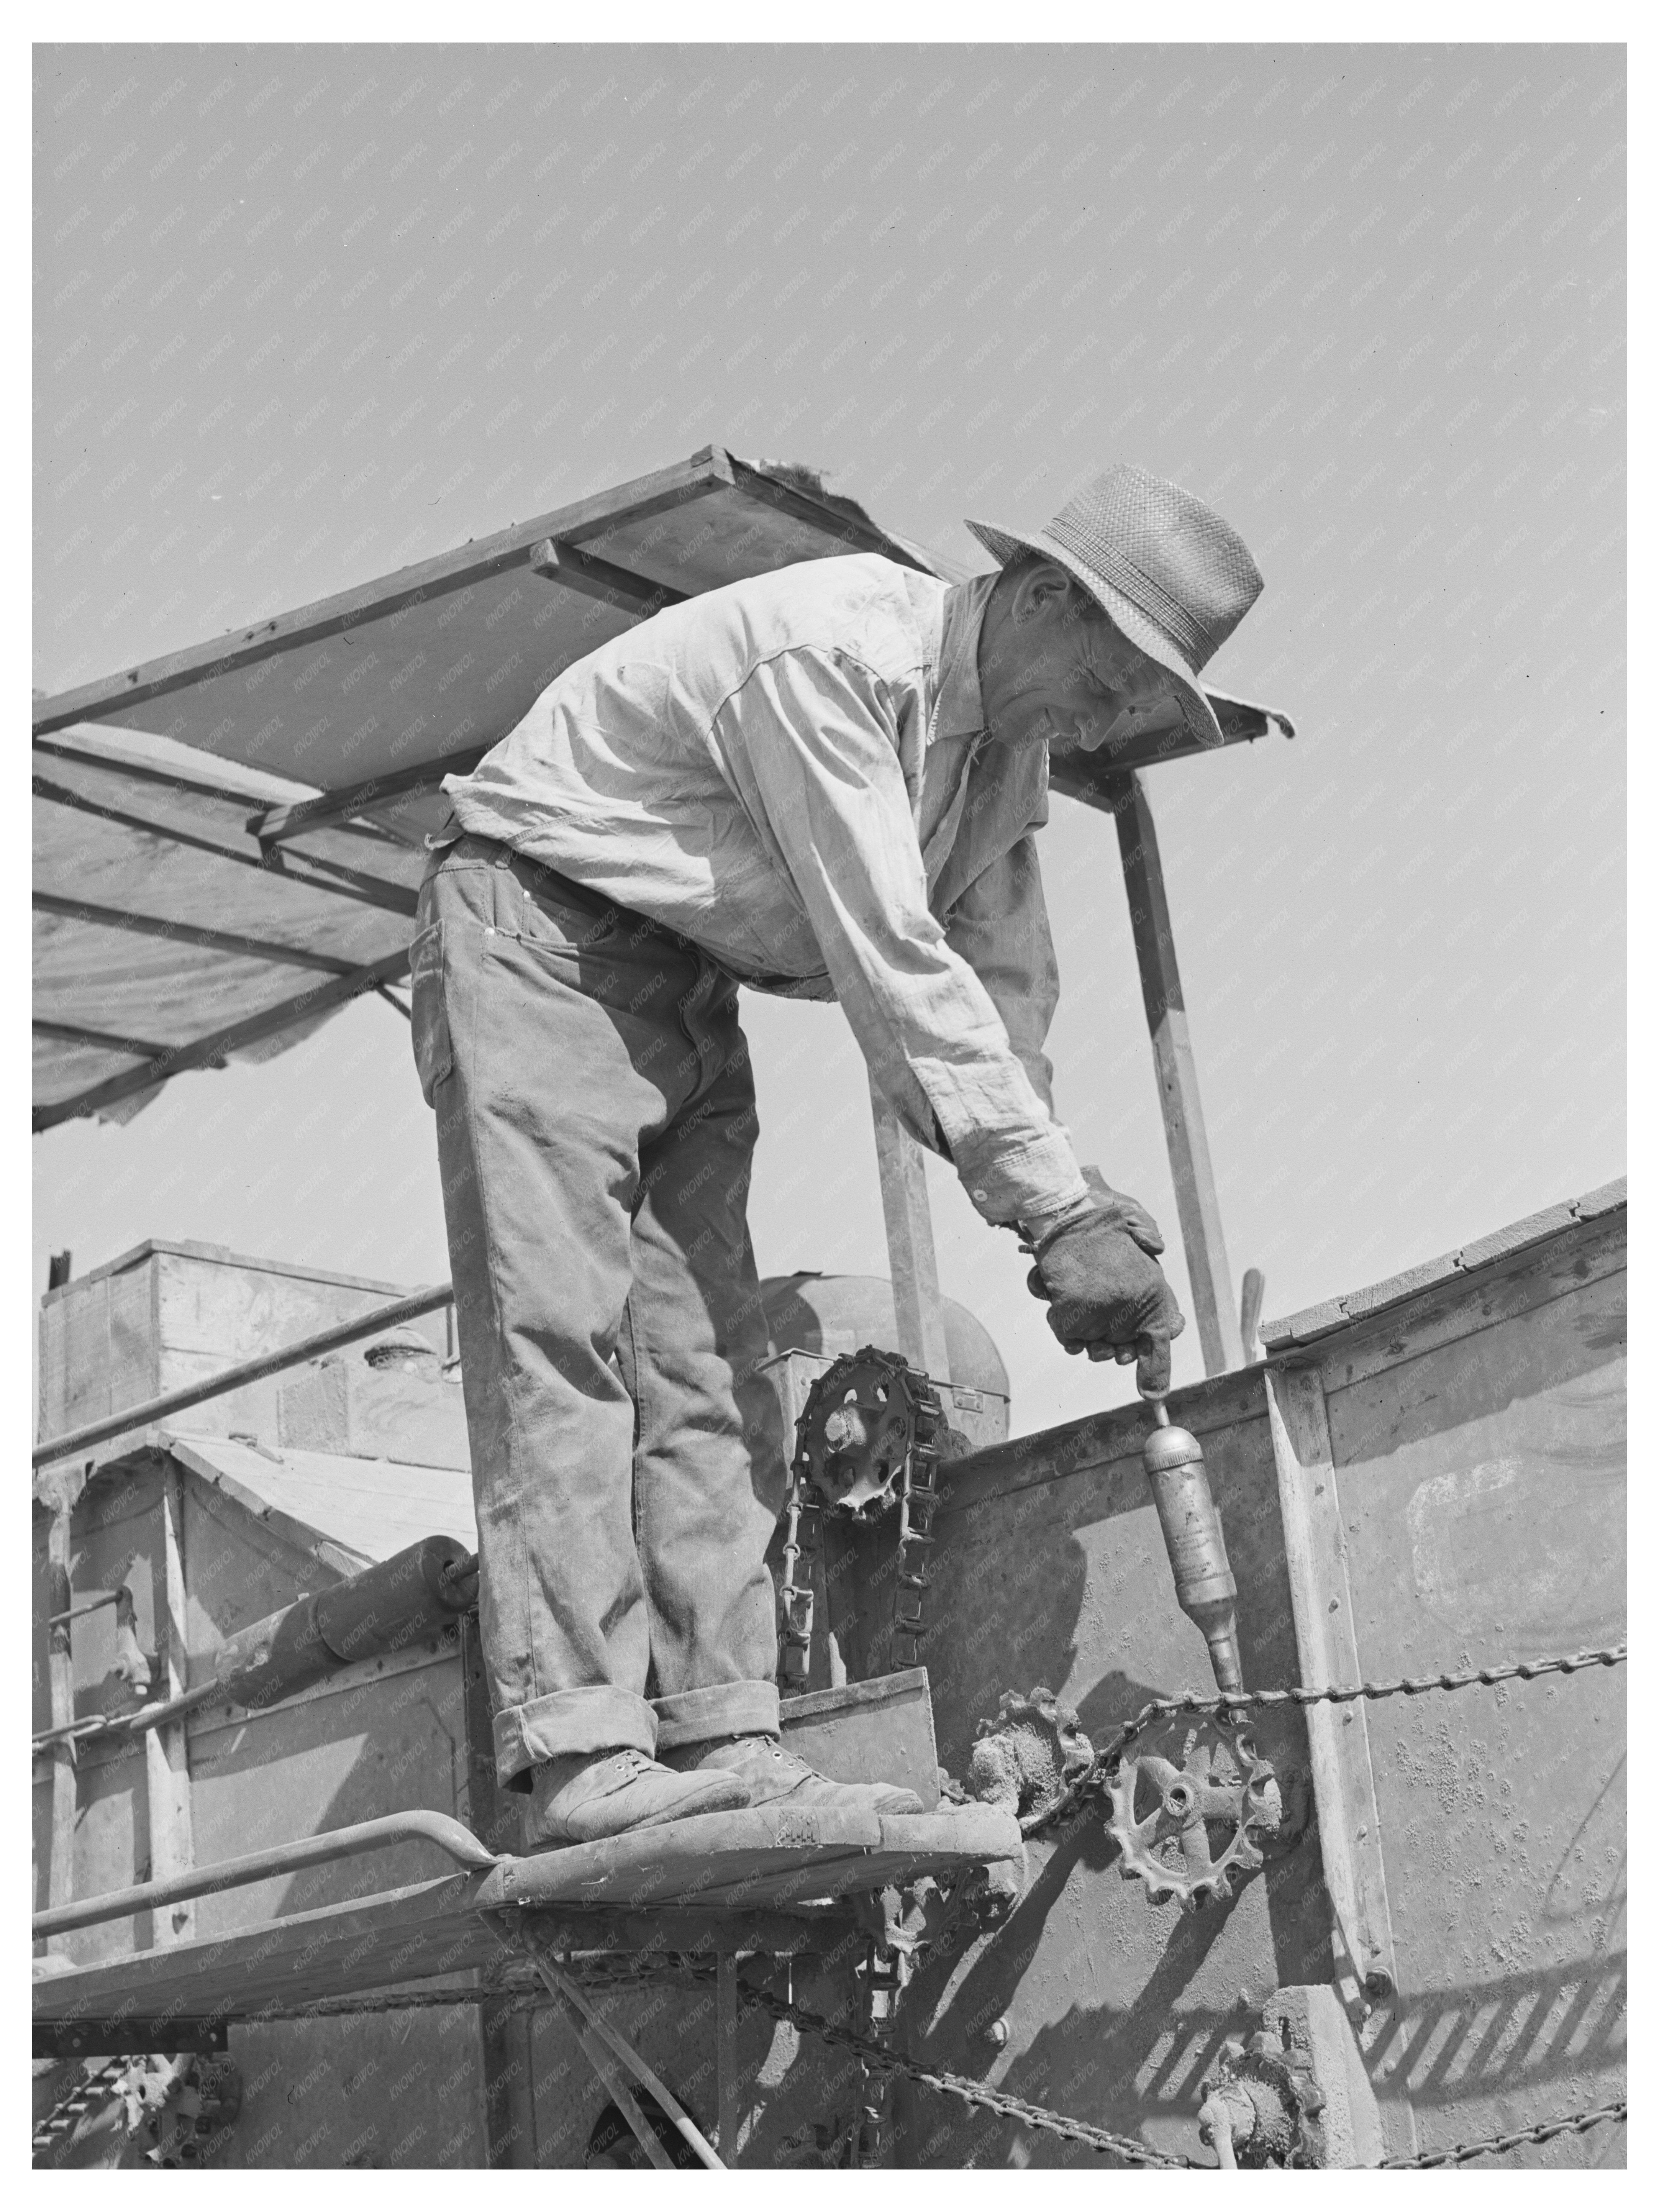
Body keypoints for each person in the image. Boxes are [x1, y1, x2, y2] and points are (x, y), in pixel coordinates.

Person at [410, 462, 1265, 1850]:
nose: (1102, 722)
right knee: (562, 1345)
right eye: (1108, 686)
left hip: (685, 976)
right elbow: (890, 953)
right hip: (535, 935)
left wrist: (1067, 1192)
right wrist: (1045, 1212)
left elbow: (1002, 989)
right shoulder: (837, 653)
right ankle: (576, 1753)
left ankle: (727, 1732)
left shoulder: (1011, 765)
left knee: (705, 1362)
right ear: (1041, 595)